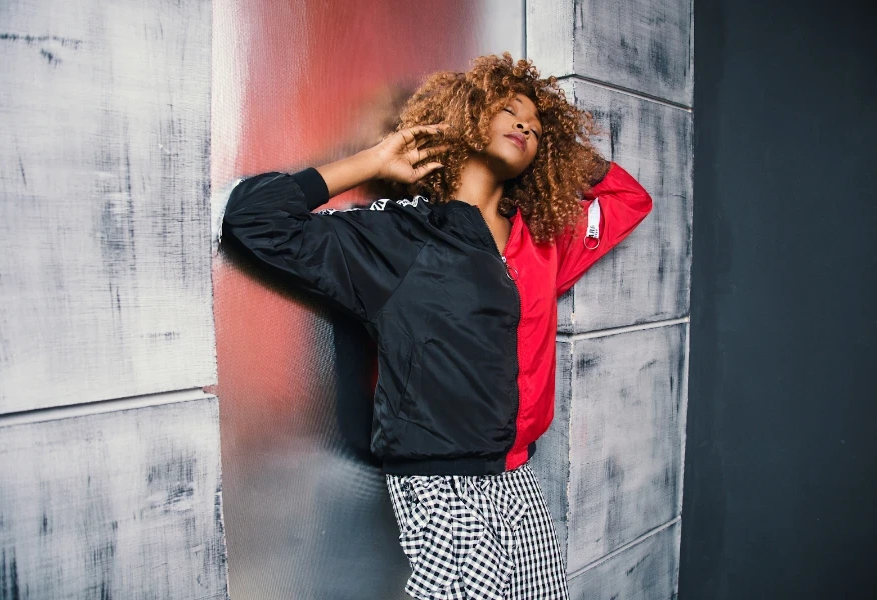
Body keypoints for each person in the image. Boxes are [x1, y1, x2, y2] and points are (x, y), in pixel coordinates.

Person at [220, 53, 653, 600]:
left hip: (518, 476)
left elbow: (629, 199)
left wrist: (564, 153)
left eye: (536, 127)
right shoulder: (402, 236)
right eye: (508, 110)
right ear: (466, 116)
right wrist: (372, 161)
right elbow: (252, 219)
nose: (524, 124)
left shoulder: (543, 244)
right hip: (441, 481)